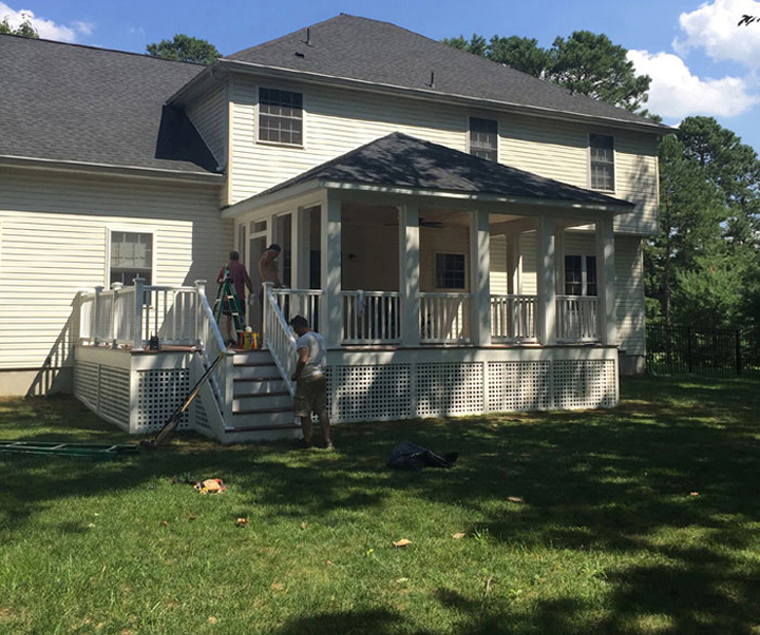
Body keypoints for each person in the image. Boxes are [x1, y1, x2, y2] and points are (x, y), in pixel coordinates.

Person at [289, 315, 332, 450]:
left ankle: (307, 440)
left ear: (300, 326)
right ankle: (327, 440)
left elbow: (303, 359)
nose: (295, 332)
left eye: (295, 329)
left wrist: (296, 374)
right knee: (322, 410)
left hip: (307, 377)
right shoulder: (320, 337)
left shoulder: (304, 339)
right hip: (321, 375)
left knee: (304, 411)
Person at [216, 251, 252, 345]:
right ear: (238, 258)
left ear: (230, 258)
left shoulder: (225, 268)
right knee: (241, 317)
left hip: (227, 297)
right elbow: (247, 280)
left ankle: (229, 337)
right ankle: (242, 338)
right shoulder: (240, 267)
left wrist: (223, 281)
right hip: (238, 297)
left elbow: (218, 280)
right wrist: (251, 291)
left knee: (229, 318)